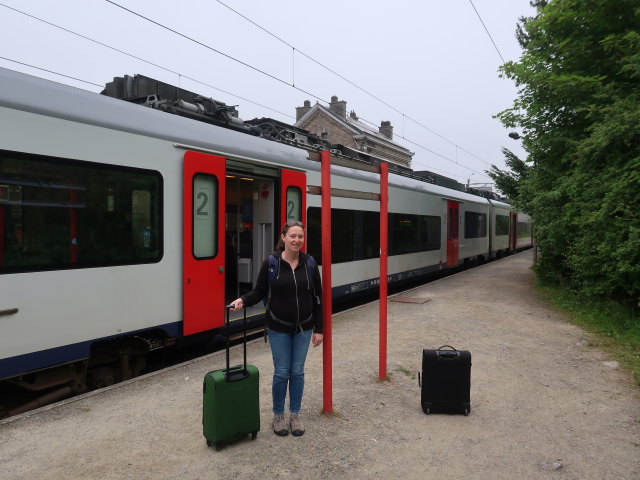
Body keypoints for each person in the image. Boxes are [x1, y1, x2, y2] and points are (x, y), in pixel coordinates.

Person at [229, 220, 323, 437]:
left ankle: (295, 415)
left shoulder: (309, 263)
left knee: (297, 372)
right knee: (282, 373)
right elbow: (258, 292)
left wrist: (320, 328)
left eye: (300, 236)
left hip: (304, 328)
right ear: (283, 237)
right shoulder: (271, 263)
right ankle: (278, 415)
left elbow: (318, 297)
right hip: (278, 328)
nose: (297, 240)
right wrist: (243, 300)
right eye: (293, 236)